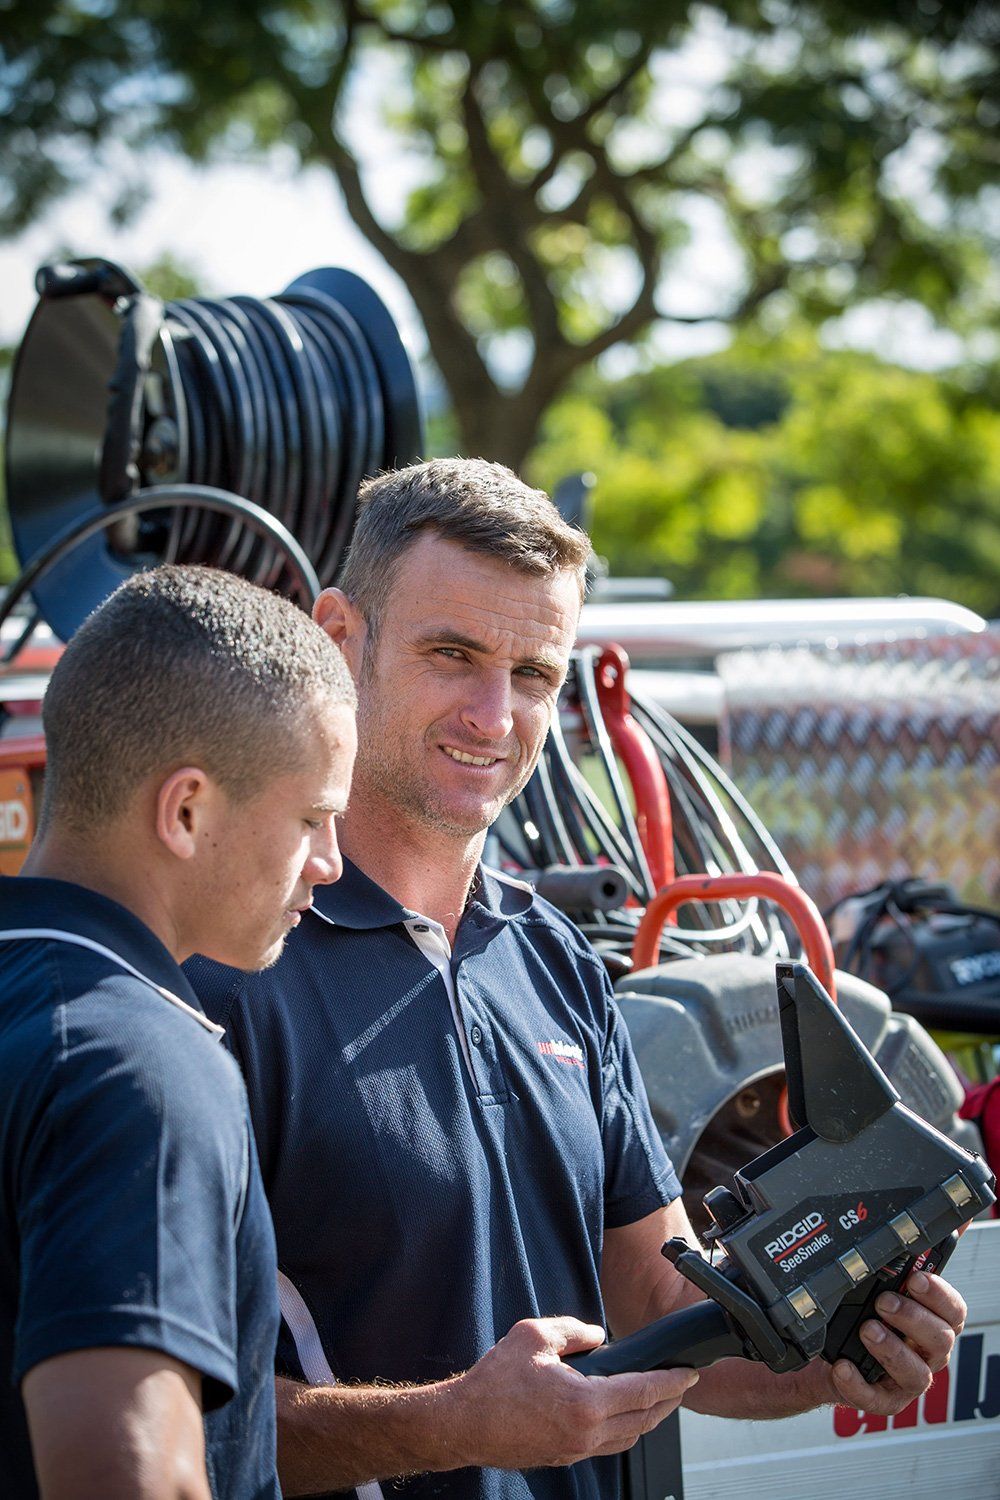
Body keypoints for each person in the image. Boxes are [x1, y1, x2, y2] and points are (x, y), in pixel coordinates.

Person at [187, 461, 966, 1500]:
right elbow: (166, 1421)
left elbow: (656, 1296)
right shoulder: (223, 961)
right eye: (451, 654)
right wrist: (448, 1425)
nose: (492, 714)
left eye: (534, 675)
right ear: (339, 637)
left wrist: (831, 1350)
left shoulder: (552, 958)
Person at [1, 565, 357, 1500]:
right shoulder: (141, 1067)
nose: (329, 863)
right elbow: (127, 1473)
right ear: (188, 809)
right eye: (315, 816)